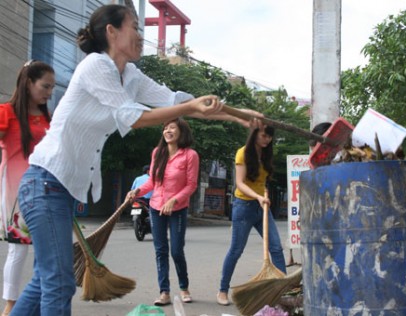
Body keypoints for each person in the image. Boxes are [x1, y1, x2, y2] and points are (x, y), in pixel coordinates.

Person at [10, 5, 261, 316]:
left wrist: (238, 116)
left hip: (56, 189)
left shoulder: (129, 75)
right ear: (112, 32)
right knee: (58, 282)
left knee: (45, 281)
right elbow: (135, 117)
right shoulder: (96, 67)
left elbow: (173, 101)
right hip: (44, 184)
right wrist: (194, 105)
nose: (141, 36)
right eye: (135, 27)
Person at [0, 60, 54, 316]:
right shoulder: (7, 112)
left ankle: (37, 301)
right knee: (18, 248)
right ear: (28, 82)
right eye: (45, 86)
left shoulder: (47, 118)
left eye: (52, 87)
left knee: (45, 250)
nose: (49, 92)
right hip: (16, 190)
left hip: (46, 190)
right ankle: (10, 305)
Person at [127, 117, 197, 306]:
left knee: (176, 250)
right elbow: (151, 182)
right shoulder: (157, 153)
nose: (168, 131)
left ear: (181, 132)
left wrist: (174, 200)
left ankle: (184, 287)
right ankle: (164, 292)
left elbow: (191, 185)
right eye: (165, 128)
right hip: (156, 206)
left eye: (172, 128)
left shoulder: (190, 155)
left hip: (178, 209)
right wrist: (136, 191)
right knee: (160, 251)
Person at [217, 126, 287, 306]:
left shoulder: (266, 154)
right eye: (264, 135)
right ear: (255, 134)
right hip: (244, 207)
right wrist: (256, 196)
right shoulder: (243, 153)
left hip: (261, 207)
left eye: (270, 136)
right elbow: (239, 183)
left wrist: (263, 194)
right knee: (236, 250)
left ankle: (283, 291)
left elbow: (261, 181)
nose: (267, 140)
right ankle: (223, 290)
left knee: (277, 248)